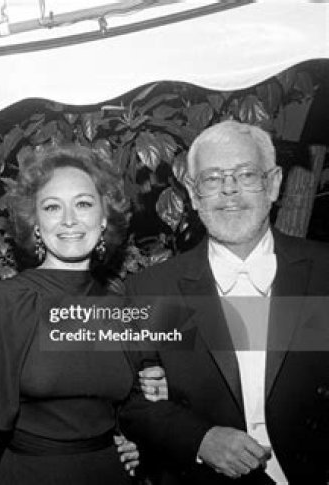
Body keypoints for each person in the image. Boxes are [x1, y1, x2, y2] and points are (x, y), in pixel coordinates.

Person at [121, 120, 329, 484]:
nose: (229, 190)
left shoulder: (324, 271)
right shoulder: (153, 290)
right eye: (212, 178)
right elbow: (130, 401)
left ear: (273, 183)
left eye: (246, 174)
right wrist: (199, 439)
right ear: (192, 193)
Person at [0, 145, 141, 484]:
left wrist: (137, 442)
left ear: (104, 217)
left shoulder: (120, 303)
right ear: (35, 224)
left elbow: (134, 406)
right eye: (52, 207)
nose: (69, 220)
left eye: (83, 204)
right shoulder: (4, 302)